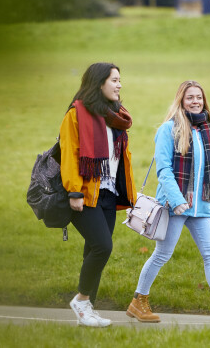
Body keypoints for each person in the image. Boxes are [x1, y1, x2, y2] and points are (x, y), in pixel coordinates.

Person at [126, 80, 210, 324]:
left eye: (199, 97)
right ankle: (138, 301)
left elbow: (209, 174)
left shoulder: (206, 130)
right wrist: (176, 201)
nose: (195, 101)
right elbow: (163, 170)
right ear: (180, 101)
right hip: (174, 207)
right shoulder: (168, 129)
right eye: (190, 98)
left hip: (201, 207)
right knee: (162, 255)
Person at [60, 62, 136, 327]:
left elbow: (120, 160)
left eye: (119, 80)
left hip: (108, 193)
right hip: (85, 194)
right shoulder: (75, 114)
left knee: (93, 250)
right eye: (114, 80)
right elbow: (69, 152)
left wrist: (130, 194)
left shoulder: (115, 116)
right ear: (98, 83)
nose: (119, 84)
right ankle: (81, 300)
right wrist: (74, 191)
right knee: (103, 246)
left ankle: (86, 311)